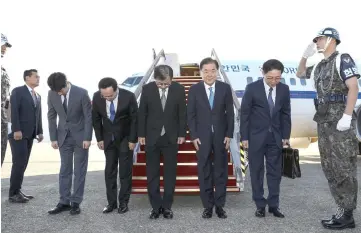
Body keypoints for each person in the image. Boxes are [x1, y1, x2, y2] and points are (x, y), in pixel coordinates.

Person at [296, 27, 359, 230]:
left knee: (343, 168)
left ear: (331, 39)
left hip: (340, 121)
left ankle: (347, 214)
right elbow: (299, 73)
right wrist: (305, 57)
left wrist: (347, 116)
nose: (317, 42)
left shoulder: (343, 59)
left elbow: (353, 87)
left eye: (320, 39)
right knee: (330, 168)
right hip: (324, 122)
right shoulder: (320, 66)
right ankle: (342, 211)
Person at [240, 59, 291, 218]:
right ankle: (260, 205)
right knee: (256, 171)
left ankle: (274, 205)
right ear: (263, 73)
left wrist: (285, 136)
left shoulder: (284, 89)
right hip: (255, 137)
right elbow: (245, 114)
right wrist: (244, 137)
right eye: (270, 78)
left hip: (275, 138)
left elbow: (285, 114)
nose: (274, 81)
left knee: (275, 173)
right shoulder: (252, 88)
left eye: (277, 78)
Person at [187, 57, 234, 219]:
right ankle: (207, 206)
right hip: (202, 138)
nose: (209, 74)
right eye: (206, 71)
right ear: (200, 72)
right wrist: (193, 136)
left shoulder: (225, 88)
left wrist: (229, 134)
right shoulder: (194, 90)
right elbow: (190, 115)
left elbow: (230, 114)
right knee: (204, 171)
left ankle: (220, 206)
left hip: (221, 137)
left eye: (213, 70)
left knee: (221, 172)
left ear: (217, 71)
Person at [138, 64, 186, 219]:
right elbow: (142, 113)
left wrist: (181, 133)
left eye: (167, 83)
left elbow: (182, 113)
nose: (164, 86)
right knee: (152, 173)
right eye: (160, 83)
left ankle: (167, 207)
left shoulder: (178, 89)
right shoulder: (147, 89)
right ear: (155, 79)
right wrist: (141, 134)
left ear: (172, 79)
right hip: (151, 137)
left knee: (170, 174)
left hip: (171, 137)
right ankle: (155, 207)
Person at [47, 72, 92, 215]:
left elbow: (88, 117)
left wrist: (87, 137)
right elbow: (51, 116)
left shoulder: (82, 93)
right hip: (63, 137)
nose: (59, 93)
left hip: (80, 138)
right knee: (65, 170)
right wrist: (53, 138)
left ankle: (76, 202)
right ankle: (64, 201)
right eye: (57, 91)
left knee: (79, 171)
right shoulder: (52, 94)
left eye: (61, 90)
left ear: (66, 83)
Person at [92, 77, 138, 214]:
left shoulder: (128, 96)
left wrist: (132, 140)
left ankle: (123, 202)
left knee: (124, 172)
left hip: (125, 138)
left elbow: (135, 119)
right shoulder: (96, 97)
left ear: (116, 89)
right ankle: (111, 203)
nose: (108, 98)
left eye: (110, 95)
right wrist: (99, 138)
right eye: (104, 96)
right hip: (108, 139)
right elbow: (95, 119)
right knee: (109, 171)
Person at [8, 69, 43, 203]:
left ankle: (18, 190)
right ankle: (13, 193)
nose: (38, 78)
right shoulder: (18, 91)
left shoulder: (37, 95)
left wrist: (40, 131)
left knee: (24, 163)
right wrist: (16, 129)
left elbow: (38, 115)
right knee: (19, 163)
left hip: (30, 134)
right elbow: (14, 111)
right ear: (27, 78)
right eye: (36, 76)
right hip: (18, 134)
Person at [1, 33, 12, 166]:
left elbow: (6, 98)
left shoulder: (3, 69)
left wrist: (10, 121)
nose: (4, 48)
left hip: (2, 121)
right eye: (2, 44)